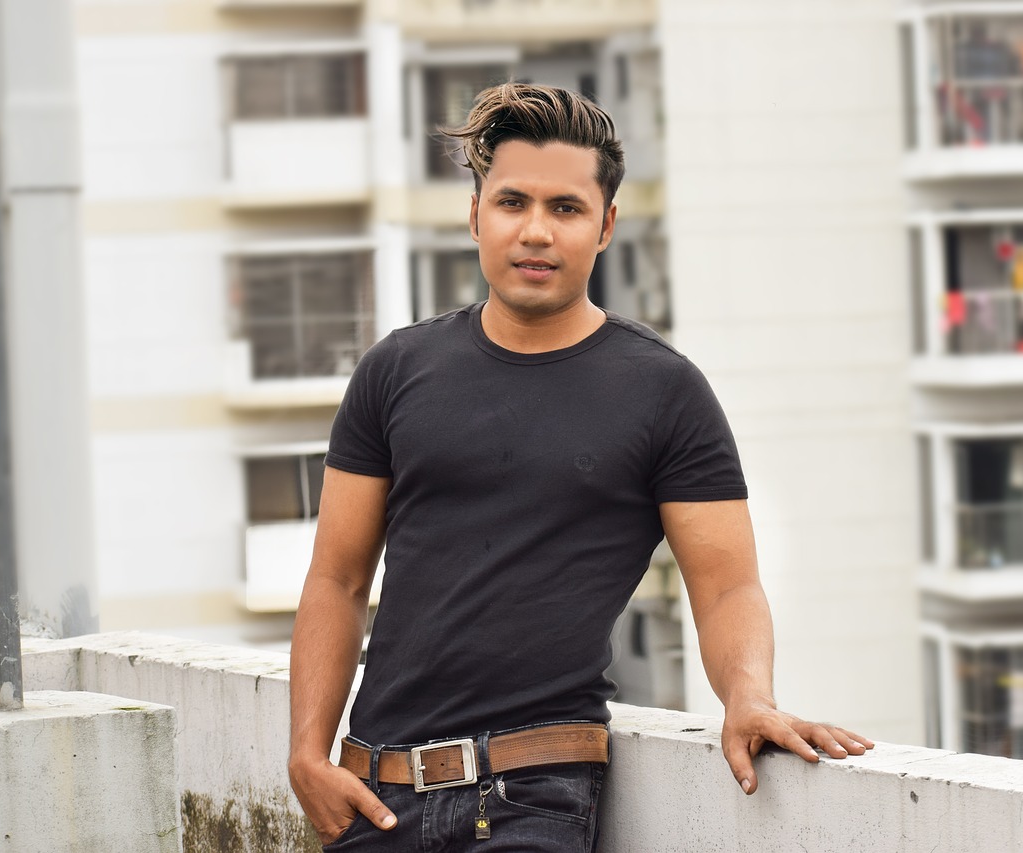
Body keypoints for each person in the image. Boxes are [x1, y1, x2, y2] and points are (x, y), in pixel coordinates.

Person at [287, 82, 873, 852]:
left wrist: (749, 696)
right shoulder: (395, 370)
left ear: (605, 226)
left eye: (565, 208)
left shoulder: (665, 390)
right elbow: (338, 578)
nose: (535, 230)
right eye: (512, 203)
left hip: (535, 795)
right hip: (377, 795)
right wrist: (306, 751)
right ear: (474, 216)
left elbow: (727, 581)